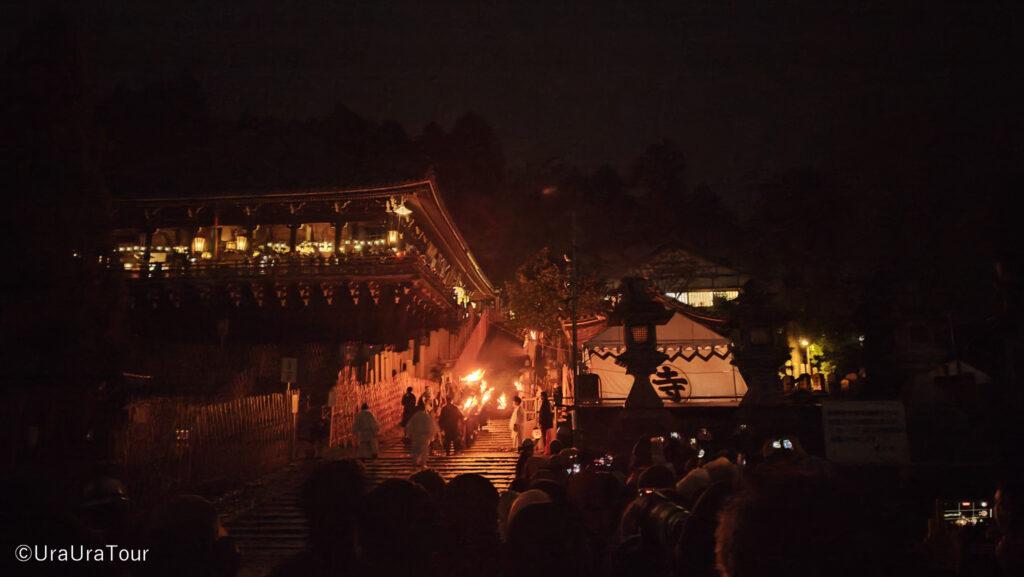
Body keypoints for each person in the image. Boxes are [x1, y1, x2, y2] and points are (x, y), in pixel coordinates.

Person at [406, 402, 439, 468]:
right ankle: (423, 464)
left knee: (416, 449)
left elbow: (410, 426)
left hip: (416, 436)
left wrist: (409, 434)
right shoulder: (427, 416)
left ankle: (415, 462)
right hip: (424, 436)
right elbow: (431, 426)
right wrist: (432, 436)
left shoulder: (415, 416)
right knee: (424, 450)